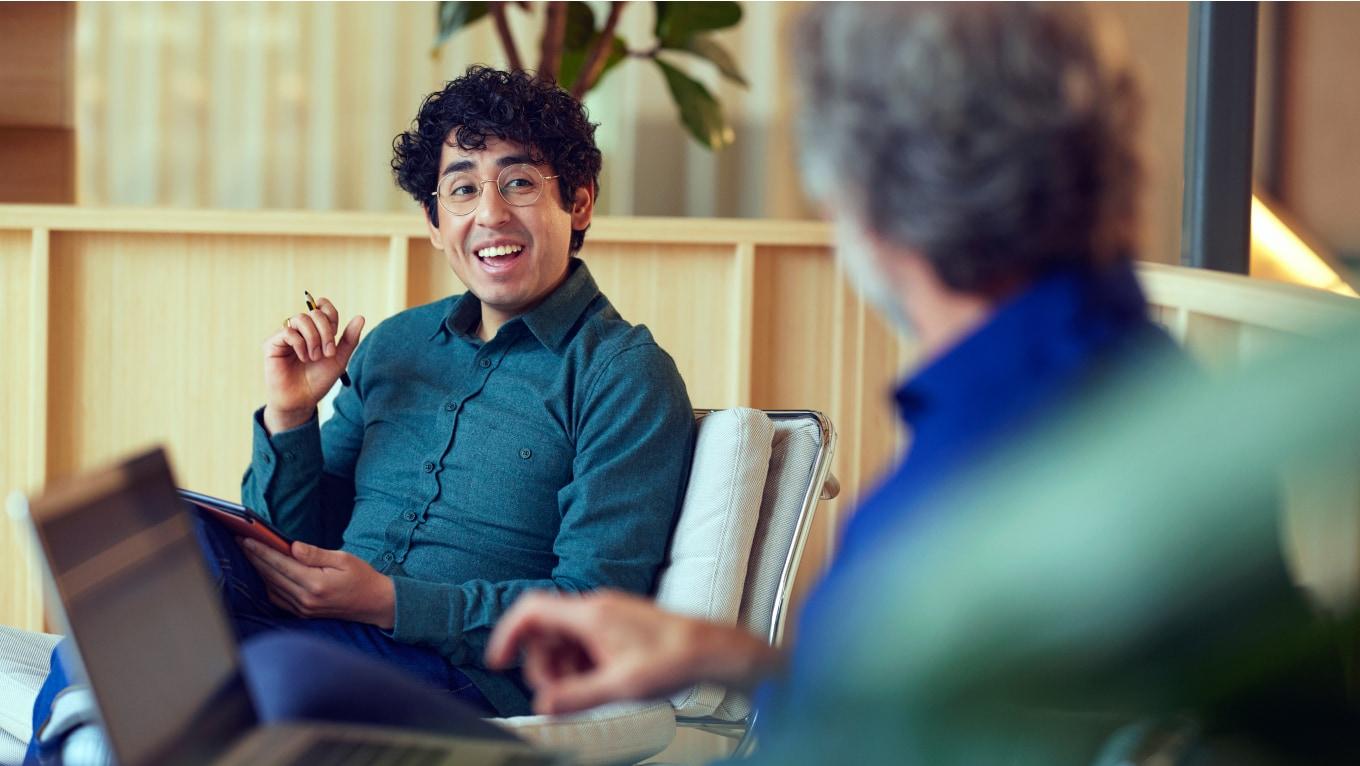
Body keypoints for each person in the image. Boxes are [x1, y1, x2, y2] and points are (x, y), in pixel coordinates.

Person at [26, 66, 695, 762]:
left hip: (463, 680)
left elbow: (593, 608)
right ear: (436, 224)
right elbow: (293, 536)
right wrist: (290, 416)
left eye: (520, 182)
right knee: (138, 587)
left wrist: (389, 602)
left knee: (268, 674)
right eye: (462, 188)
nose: (490, 213)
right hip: (313, 629)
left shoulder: (623, 374)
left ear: (580, 202)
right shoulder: (397, 345)